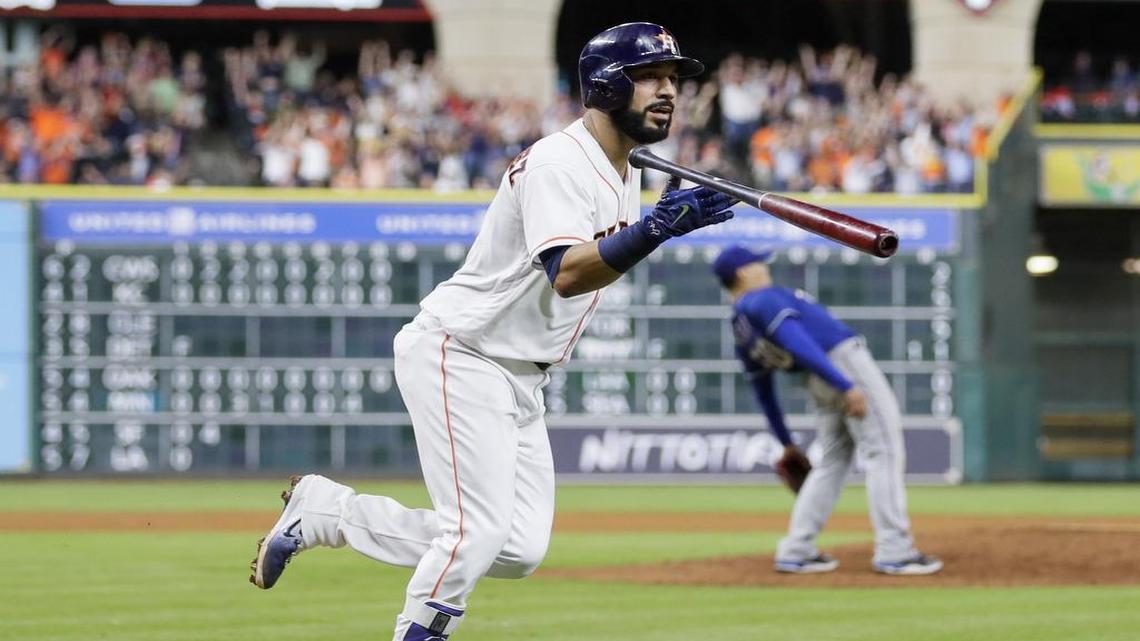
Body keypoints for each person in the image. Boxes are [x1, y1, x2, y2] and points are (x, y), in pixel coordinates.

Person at [249, 23, 737, 641]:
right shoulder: (562, 161)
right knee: (475, 532)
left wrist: (657, 224)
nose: (669, 89)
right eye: (651, 77)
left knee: (516, 548)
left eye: (674, 79)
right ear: (608, 85)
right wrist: (656, 230)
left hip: (521, 378)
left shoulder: (625, 167)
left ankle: (324, 512)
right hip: (465, 351)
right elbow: (566, 272)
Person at [711, 245, 942, 576]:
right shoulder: (762, 298)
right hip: (839, 363)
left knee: (832, 462)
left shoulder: (739, 325)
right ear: (742, 272)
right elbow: (795, 340)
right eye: (758, 262)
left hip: (814, 379)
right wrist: (847, 385)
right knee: (884, 452)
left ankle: (797, 549)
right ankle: (895, 550)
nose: (765, 266)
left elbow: (762, 389)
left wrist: (786, 441)